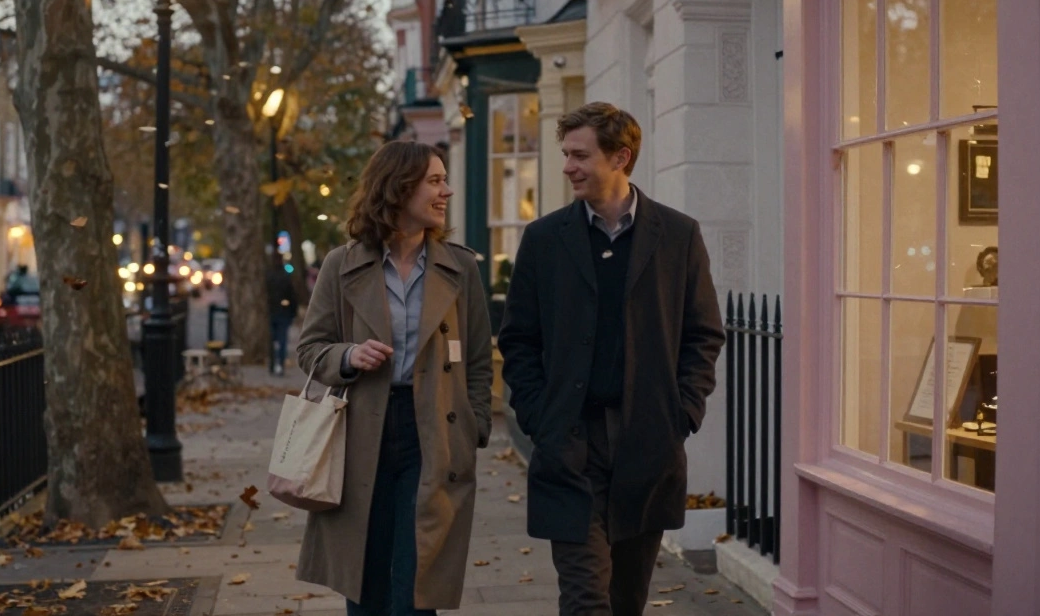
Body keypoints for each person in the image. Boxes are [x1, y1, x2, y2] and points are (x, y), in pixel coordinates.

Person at [497, 102, 726, 616]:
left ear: (620, 157)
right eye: (566, 154)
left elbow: (703, 334)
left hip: (647, 442)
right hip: (569, 442)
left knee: (626, 600)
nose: (567, 166)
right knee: (584, 599)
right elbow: (518, 340)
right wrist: (538, 416)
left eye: (580, 155)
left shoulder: (678, 235)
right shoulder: (542, 240)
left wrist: (681, 414)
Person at [295, 141, 493, 616]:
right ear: (399, 187)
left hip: (434, 432)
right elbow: (309, 349)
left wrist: (474, 426)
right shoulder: (343, 265)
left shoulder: (460, 267)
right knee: (364, 578)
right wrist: (348, 355)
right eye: (435, 180)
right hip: (362, 429)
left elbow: (482, 360)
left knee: (418, 580)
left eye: (444, 180)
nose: (446, 191)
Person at [266, 253, 298, 375]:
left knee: (271, 340)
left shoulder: (268, 276)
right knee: (282, 339)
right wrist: (293, 312)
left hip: (271, 311)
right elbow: (292, 295)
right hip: (283, 312)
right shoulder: (285, 276)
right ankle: (280, 364)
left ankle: (272, 364)